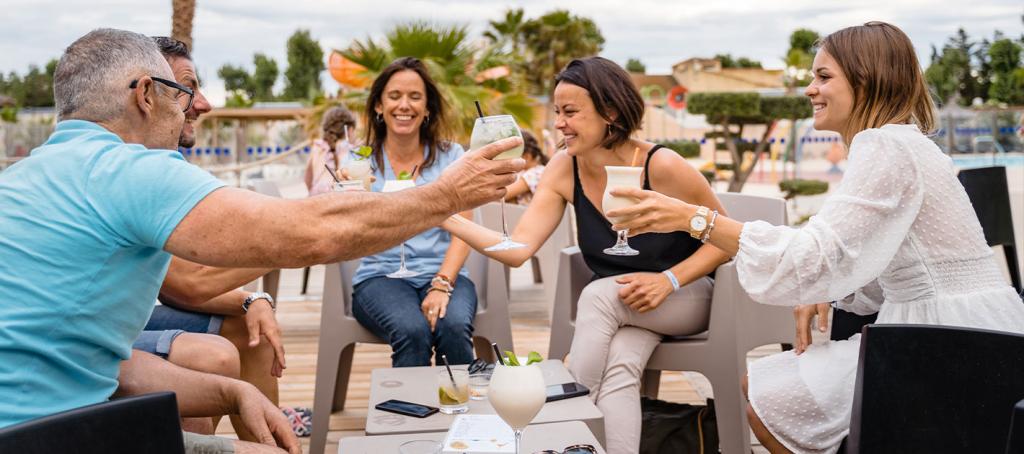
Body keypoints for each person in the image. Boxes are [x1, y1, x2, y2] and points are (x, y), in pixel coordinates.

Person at [0, 27, 522, 450]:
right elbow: (314, 233)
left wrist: (231, 392)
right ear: (144, 94)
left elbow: (92, 356)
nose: (196, 105)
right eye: (183, 92)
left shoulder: (28, 174)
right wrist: (446, 194)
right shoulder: (129, 168)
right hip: (49, 436)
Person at [605, 22, 1024, 454]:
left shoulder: (885, 145)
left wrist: (697, 220)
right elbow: (882, 260)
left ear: (866, 79)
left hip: (946, 343)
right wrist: (833, 291)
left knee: (769, 395)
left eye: (824, 77)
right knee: (772, 390)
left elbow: (815, 255)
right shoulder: (905, 143)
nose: (809, 89)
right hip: (976, 332)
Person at [441, 56, 731, 453]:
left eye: (571, 112)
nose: (559, 122)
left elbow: (727, 239)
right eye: (557, 111)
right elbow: (518, 250)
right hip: (627, 306)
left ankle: (555, 424)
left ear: (609, 112)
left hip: (687, 294)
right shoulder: (564, 167)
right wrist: (446, 217)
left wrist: (669, 280)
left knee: (597, 296)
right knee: (621, 367)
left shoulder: (661, 164)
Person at [343, 57, 478, 367]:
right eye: (394, 96)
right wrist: (348, 193)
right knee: (411, 329)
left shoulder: (452, 157)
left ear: (427, 108)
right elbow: (349, 229)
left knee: (453, 326)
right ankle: (409, 413)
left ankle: (462, 411)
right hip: (380, 277)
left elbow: (464, 229)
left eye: (415, 97)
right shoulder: (359, 161)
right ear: (378, 105)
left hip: (445, 274)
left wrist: (442, 284)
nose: (405, 105)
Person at [304, 106, 359, 196]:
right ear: (350, 130)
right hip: (338, 199)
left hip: (315, 198)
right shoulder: (351, 150)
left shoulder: (318, 147)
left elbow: (307, 179)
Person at [503, 129, 548, 205]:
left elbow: (503, 195)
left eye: (512, 155)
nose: (509, 159)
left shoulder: (537, 173)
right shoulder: (523, 172)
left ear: (527, 157)